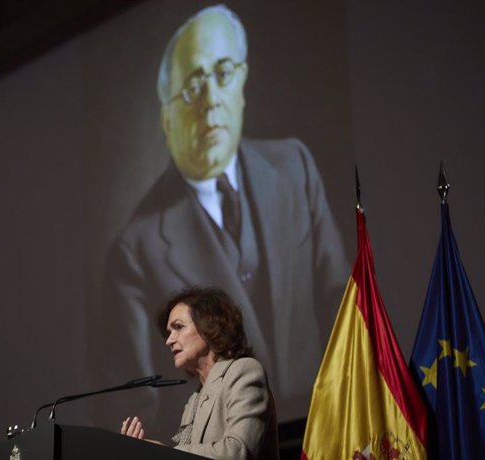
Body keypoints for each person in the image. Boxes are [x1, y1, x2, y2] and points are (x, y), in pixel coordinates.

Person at [91, 4, 347, 436]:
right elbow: (139, 403)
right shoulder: (134, 250)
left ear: (243, 83)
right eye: (192, 88)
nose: (210, 101)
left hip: (329, 431)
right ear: (166, 119)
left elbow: (343, 303)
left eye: (223, 73)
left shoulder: (294, 167)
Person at [120, 287, 279, 460]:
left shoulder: (244, 371)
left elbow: (238, 452)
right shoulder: (195, 400)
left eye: (178, 327)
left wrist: (164, 454)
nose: (169, 340)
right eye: (168, 332)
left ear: (209, 327)